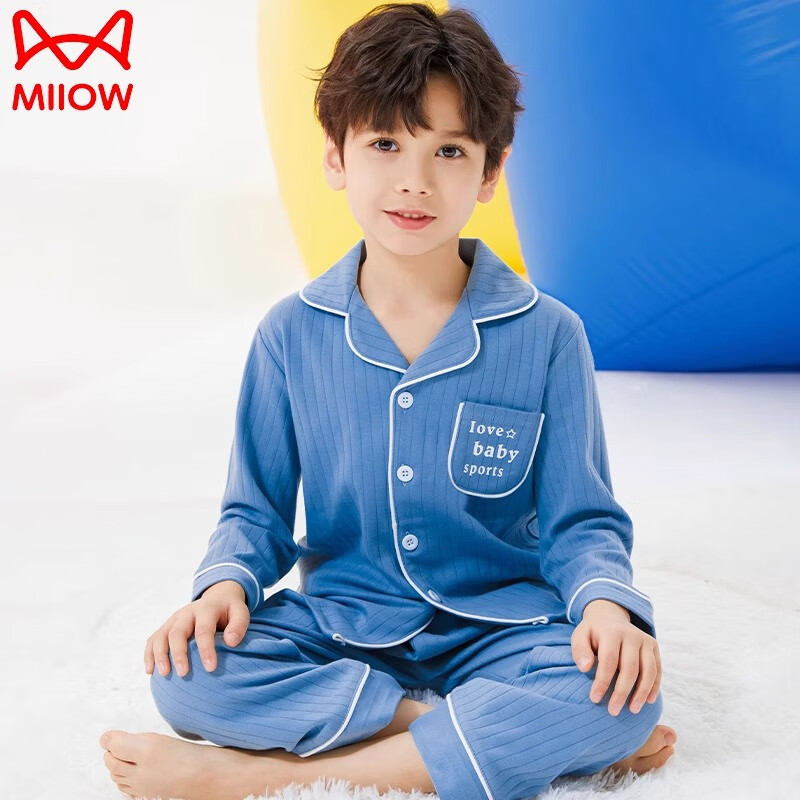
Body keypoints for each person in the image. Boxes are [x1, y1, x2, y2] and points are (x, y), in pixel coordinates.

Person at [99, 4, 678, 799]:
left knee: (618, 694)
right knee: (188, 675)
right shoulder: (289, 334)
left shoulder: (549, 334)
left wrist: (606, 607)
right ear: (334, 156)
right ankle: (480, 737)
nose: (414, 180)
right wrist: (224, 588)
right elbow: (254, 514)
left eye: (450, 150)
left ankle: (252, 780)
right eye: (384, 144)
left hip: (502, 629)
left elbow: (581, 521)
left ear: (491, 172)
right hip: (343, 625)